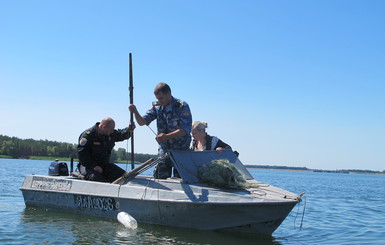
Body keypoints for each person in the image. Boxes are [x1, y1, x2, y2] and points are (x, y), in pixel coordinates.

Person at [128, 83, 192, 179]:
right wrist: (135, 112)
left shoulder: (181, 106)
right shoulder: (157, 107)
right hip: (164, 151)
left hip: (180, 151)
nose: (159, 101)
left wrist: (166, 136)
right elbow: (142, 122)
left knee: (181, 179)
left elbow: (185, 130)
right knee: (160, 179)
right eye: (157, 98)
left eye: (161, 98)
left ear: (169, 94)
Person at [77, 117, 135, 182]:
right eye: (111, 130)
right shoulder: (88, 136)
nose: (112, 131)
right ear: (104, 127)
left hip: (104, 165)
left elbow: (121, 134)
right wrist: (93, 166)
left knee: (124, 176)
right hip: (87, 166)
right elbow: (82, 155)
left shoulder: (110, 133)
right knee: (96, 178)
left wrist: (129, 129)